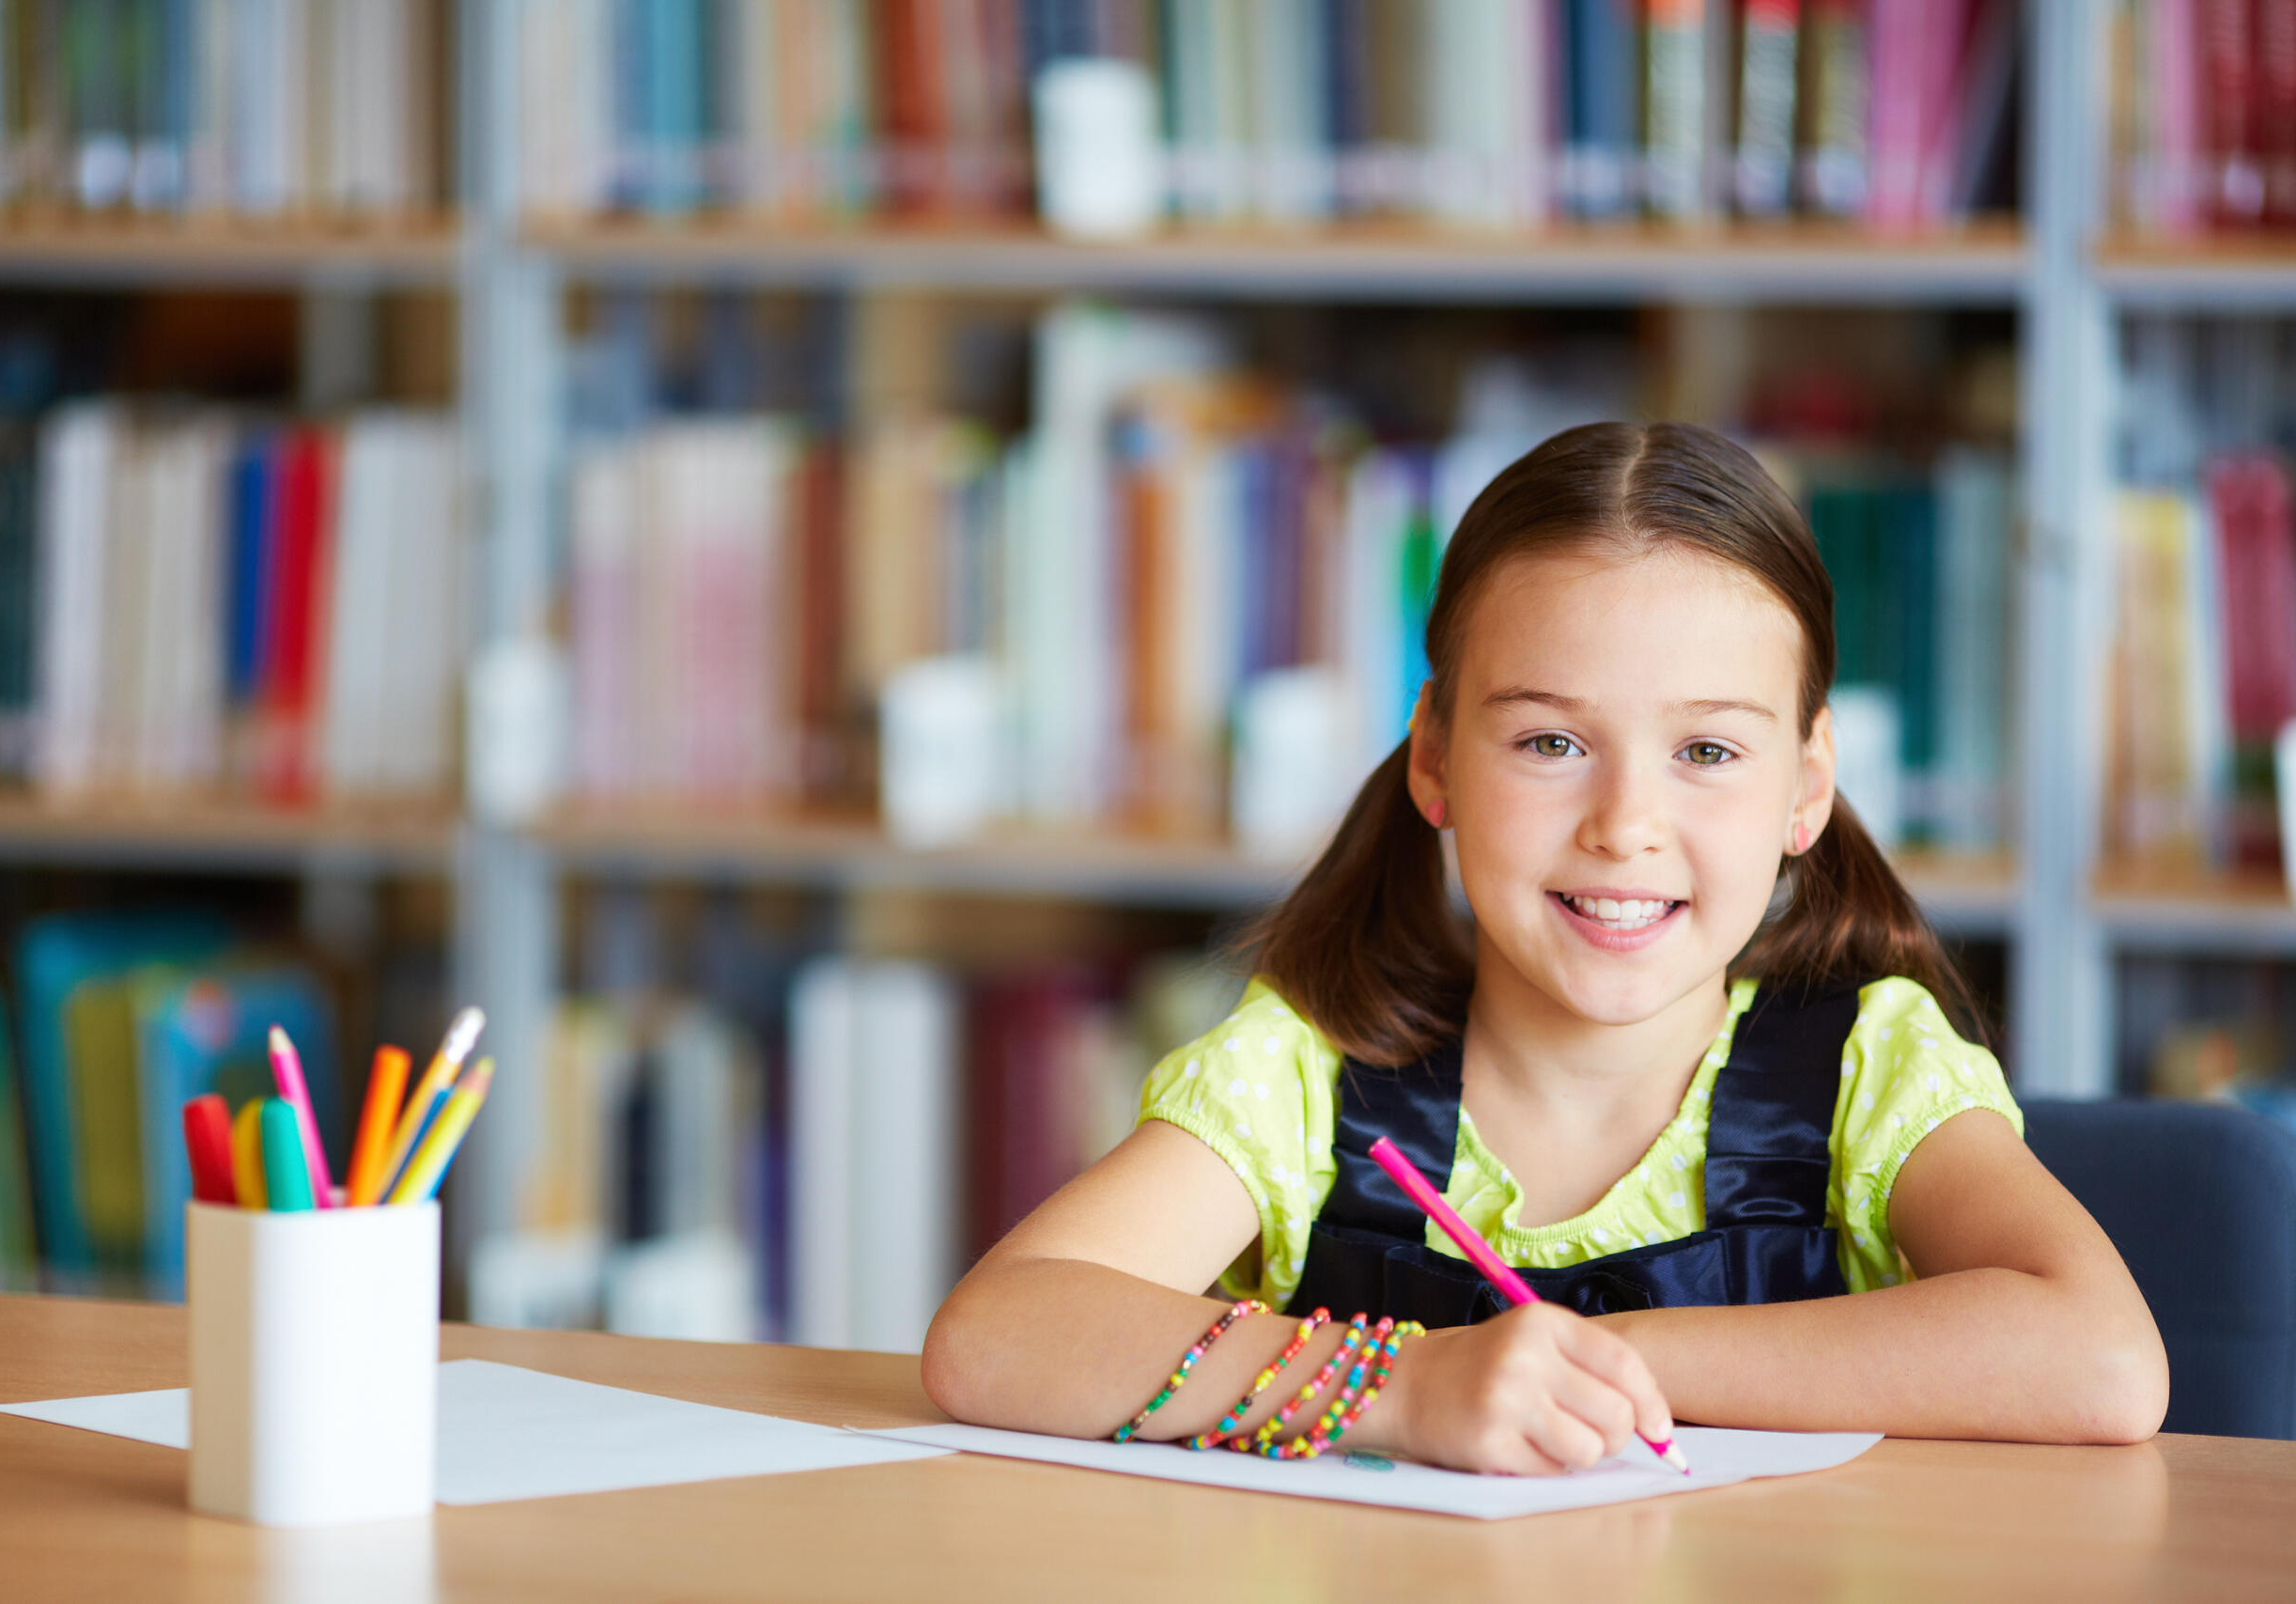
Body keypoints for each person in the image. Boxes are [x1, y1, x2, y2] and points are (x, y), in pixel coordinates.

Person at [922, 422, 2167, 1473]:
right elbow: (998, 1336)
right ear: (1434, 758)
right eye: (1550, 744)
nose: (1626, 826)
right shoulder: (1308, 1072)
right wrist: (1409, 1388)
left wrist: (1600, 1365)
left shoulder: (1867, 1065)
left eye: (1708, 753)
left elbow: (2102, 1361)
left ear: (1807, 787)